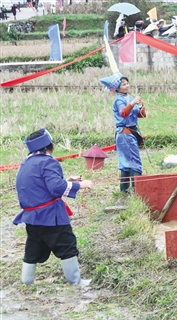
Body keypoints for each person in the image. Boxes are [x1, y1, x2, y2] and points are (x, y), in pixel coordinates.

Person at [13, 128, 93, 285]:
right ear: (49, 146)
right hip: (50, 216)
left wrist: (68, 180)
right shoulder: (48, 162)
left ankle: (26, 282)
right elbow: (56, 187)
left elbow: (39, 185)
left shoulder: (25, 163)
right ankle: (76, 281)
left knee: (33, 249)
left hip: (31, 218)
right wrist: (82, 185)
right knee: (67, 244)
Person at [100, 72, 146, 193]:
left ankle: (125, 192)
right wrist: (133, 103)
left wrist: (141, 110)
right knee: (134, 162)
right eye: (123, 84)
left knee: (126, 162)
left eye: (127, 83)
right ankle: (138, 192)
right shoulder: (118, 100)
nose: (127, 85)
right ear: (117, 88)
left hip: (130, 133)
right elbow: (123, 113)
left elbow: (135, 115)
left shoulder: (129, 98)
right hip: (125, 134)